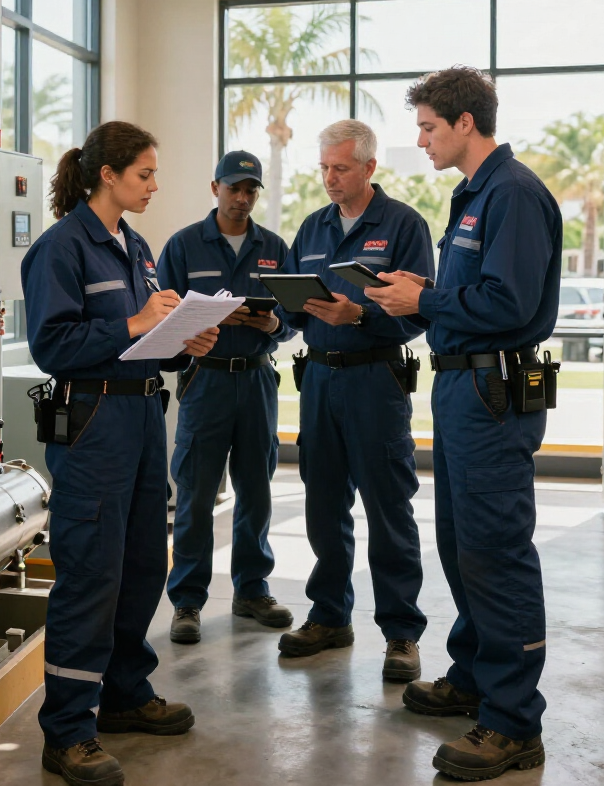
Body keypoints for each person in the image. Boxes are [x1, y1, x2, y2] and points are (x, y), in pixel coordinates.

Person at [364, 67, 562, 781]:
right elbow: (468, 299)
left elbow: (506, 305)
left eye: (427, 127)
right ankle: (475, 676)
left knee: (496, 550)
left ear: (466, 124)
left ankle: (513, 722)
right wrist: (416, 302)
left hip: (492, 391)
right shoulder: (474, 195)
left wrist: (427, 296)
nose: (419, 140)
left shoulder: (511, 194)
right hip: (461, 388)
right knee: (461, 543)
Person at [21, 121, 219, 786]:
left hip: (140, 412)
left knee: (140, 565)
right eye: (144, 175)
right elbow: (54, 346)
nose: (154, 186)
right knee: (90, 573)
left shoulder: (134, 247)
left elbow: (137, 338)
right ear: (107, 174)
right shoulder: (61, 249)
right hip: (94, 420)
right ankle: (69, 730)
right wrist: (137, 322)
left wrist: (180, 336)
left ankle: (125, 693)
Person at [274, 119, 434, 683]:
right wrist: (276, 309)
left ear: (369, 168)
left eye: (340, 168)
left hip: (375, 382)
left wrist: (360, 314)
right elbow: (295, 307)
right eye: (323, 167)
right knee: (323, 505)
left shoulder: (403, 226)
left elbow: (420, 312)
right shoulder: (313, 227)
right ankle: (330, 617)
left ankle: (401, 632)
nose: (330, 178)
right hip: (318, 381)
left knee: (389, 508)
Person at [157, 150, 296, 644]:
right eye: (234, 188)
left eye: (251, 190)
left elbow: (294, 317)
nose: (242, 198)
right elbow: (161, 314)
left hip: (257, 380)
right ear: (214, 187)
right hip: (206, 380)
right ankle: (188, 600)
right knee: (195, 492)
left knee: (256, 490)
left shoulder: (275, 247)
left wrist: (272, 322)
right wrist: (200, 322)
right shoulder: (183, 247)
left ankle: (252, 589)